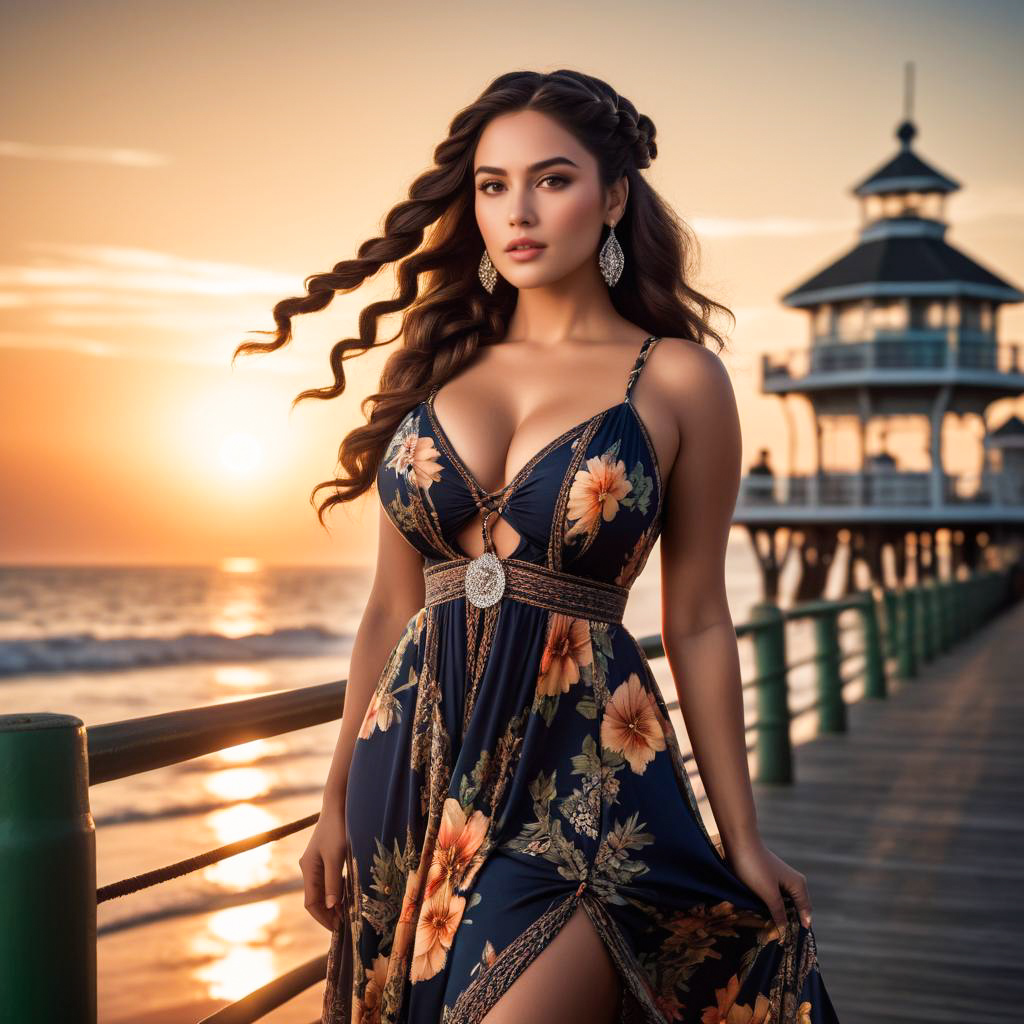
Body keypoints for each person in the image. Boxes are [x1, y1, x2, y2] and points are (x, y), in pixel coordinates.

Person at [235, 69, 839, 1024]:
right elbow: (392, 611)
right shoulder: (432, 370)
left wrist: (744, 837)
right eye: (491, 184)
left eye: (551, 180)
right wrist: (332, 801)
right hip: (414, 770)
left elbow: (701, 619)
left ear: (614, 197)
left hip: (582, 772)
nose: (517, 211)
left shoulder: (677, 378)